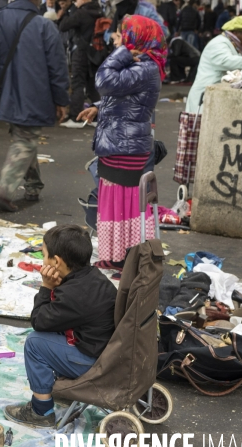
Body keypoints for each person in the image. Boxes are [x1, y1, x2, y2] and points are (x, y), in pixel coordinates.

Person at [3, 224, 117, 428]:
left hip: (92, 361)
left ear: (56, 261)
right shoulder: (93, 277)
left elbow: (38, 321)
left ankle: (41, 411)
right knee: (50, 332)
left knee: (35, 343)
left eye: (44, 255)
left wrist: (46, 287)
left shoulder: (73, 295)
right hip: (105, 350)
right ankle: (55, 390)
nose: (42, 260)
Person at [0, 0, 69, 212]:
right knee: (26, 137)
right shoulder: (44, 25)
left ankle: (33, 185)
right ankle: (5, 189)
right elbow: (57, 67)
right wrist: (62, 100)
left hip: (5, 93)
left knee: (24, 133)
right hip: (35, 93)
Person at [77, 15, 166, 267]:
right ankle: (117, 256)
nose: (116, 40)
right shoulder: (141, 65)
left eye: (121, 36)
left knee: (123, 206)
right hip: (120, 144)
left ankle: (123, 259)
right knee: (115, 204)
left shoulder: (143, 67)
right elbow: (123, 96)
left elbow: (104, 81)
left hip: (125, 147)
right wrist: (97, 107)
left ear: (136, 38)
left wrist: (122, 52)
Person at [174, 16, 242, 185]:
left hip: (213, 100)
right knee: (196, 145)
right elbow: (226, 62)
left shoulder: (231, 44)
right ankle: (190, 184)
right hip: (202, 100)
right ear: (236, 32)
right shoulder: (219, 44)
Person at [58, 0, 102, 127]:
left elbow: (64, 25)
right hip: (94, 53)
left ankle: (76, 117)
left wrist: (72, 9)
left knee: (78, 83)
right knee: (91, 86)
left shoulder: (82, 12)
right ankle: (97, 117)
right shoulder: (98, 11)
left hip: (81, 51)